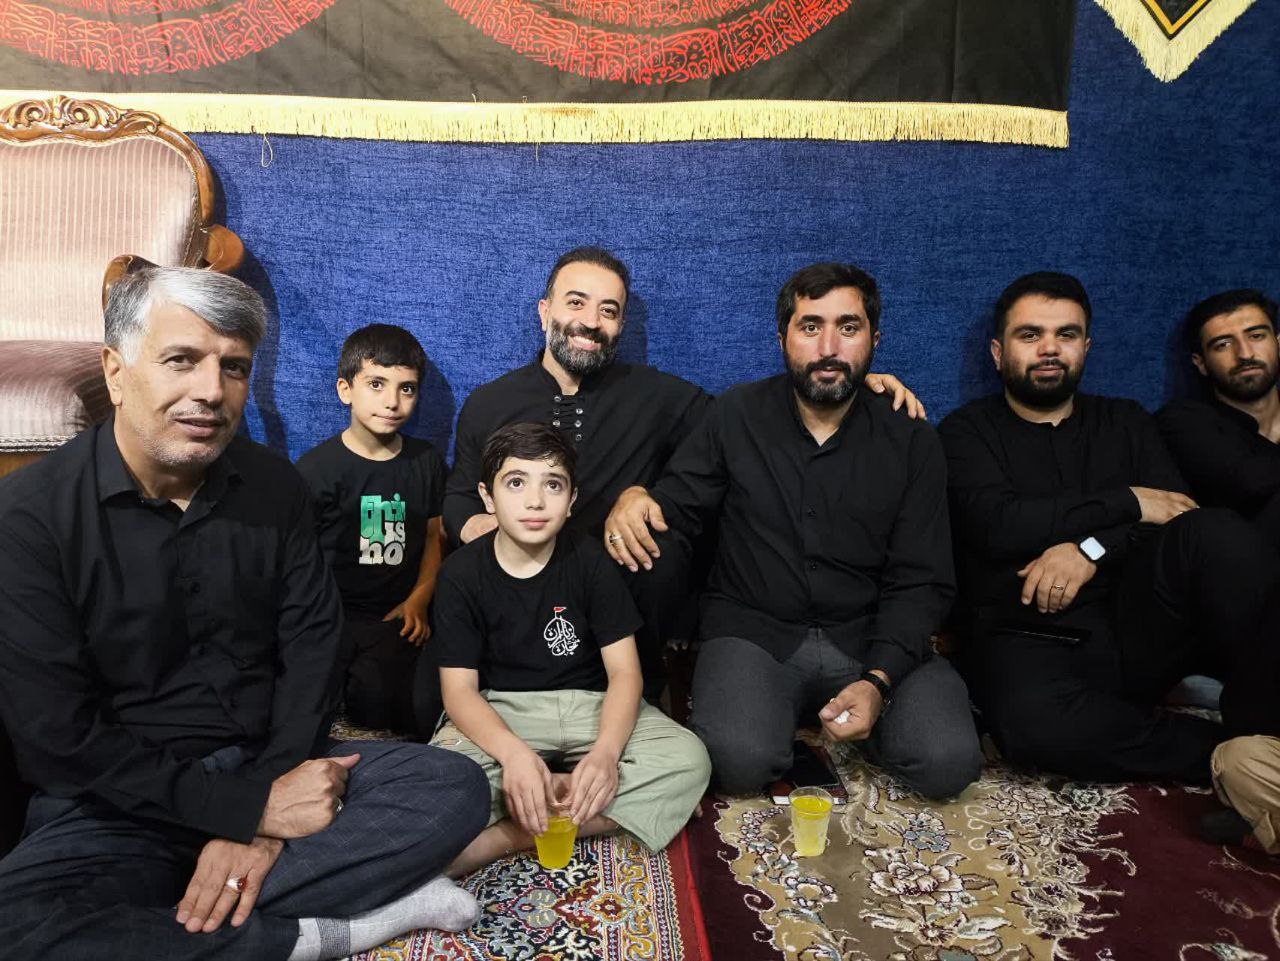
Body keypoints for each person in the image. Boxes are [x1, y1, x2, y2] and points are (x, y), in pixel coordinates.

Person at [0, 266, 490, 960]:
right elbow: (58, 737)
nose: (211, 389)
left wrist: (267, 802)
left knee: (453, 785)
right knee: (15, 924)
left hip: (271, 760)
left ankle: (171, 921)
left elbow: (314, 645)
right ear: (115, 372)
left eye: (233, 367)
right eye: (181, 360)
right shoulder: (30, 518)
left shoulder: (274, 485)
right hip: (124, 801)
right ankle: (323, 930)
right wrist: (247, 813)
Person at [440, 246, 924, 708]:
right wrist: (497, 539)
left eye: (608, 310)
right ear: (545, 311)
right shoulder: (490, 402)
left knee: (662, 548)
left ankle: (639, 691)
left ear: (621, 325)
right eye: (576, 303)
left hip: (612, 586)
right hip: (514, 582)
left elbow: (754, 421)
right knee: (424, 702)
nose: (591, 321)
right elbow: (459, 497)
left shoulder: (659, 396)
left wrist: (851, 390)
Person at [605, 262, 982, 800]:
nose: (828, 347)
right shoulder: (735, 414)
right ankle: (787, 717)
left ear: (875, 339)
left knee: (948, 762)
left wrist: (879, 680)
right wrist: (635, 496)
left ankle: (860, 715)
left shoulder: (911, 438)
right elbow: (675, 508)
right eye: (810, 327)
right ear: (782, 337)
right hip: (755, 632)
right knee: (737, 762)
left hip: (870, 634)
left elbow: (923, 579)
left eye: (848, 328)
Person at [939, 271, 1280, 786]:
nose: (1049, 348)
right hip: (1029, 634)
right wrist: (1127, 501)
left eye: (1066, 334)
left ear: (1086, 347)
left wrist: (1090, 549)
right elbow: (999, 526)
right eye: (1030, 335)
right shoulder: (966, 431)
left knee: (1216, 533)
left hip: (1135, 621)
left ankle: (1266, 725)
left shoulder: (1125, 420)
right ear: (997, 352)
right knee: (1037, 730)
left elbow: (1179, 515)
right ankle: (1232, 757)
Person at [431, 423, 710, 873]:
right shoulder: (461, 573)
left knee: (689, 761)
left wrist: (606, 754)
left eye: (553, 485)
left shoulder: (590, 560)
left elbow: (625, 673)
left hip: (590, 706)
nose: (535, 501)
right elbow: (459, 691)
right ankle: (596, 802)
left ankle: (513, 831)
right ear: (487, 497)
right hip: (504, 711)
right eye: (516, 483)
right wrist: (514, 756)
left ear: (572, 498)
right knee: (437, 780)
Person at [297, 324, 447, 733]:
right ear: (345, 389)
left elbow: (434, 537)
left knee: (395, 705)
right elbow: (301, 563)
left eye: (406, 389)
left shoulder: (425, 462)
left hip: (400, 614)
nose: (392, 401)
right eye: (376, 384)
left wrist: (419, 600)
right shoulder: (316, 471)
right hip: (334, 615)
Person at [1157, 289, 1280, 549]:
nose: (1245, 353)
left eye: (1256, 336)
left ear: (1278, 342)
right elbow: (1249, 482)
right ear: (1200, 363)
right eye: (1223, 344)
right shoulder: (1184, 421)